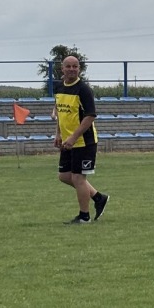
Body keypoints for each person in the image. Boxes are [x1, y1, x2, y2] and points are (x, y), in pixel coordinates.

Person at [53, 55, 109, 225]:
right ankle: (98, 198)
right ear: (62, 68)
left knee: (78, 178)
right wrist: (58, 134)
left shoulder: (83, 90)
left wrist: (73, 137)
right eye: (68, 66)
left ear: (79, 69)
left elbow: (90, 116)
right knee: (64, 176)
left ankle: (84, 216)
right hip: (67, 141)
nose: (72, 69)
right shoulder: (59, 87)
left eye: (75, 66)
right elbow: (59, 112)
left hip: (84, 141)